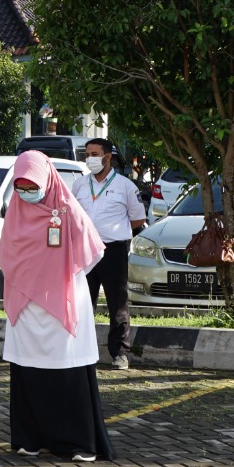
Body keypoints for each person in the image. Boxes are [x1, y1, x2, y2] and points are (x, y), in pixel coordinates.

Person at [0, 150, 114, 462]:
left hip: (61, 301)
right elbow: (6, 255)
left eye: (32, 187)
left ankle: (77, 442)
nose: (27, 193)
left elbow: (93, 252)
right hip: (25, 306)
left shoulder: (67, 208)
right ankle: (30, 438)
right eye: (21, 187)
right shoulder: (15, 211)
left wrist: (59, 275)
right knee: (28, 371)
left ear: (47, 180)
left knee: (67, 372)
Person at [69, 138, 146, 370]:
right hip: (84, 250)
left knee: (117, 303)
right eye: (87, 154)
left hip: (113, 250)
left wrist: (114, 231)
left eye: (94, 154)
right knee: (83, 302)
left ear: (107, 157)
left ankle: (120, 353)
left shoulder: (125, 186)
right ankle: (81, 351)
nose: (89, 159)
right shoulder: (79, 185)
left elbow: (138, 218)